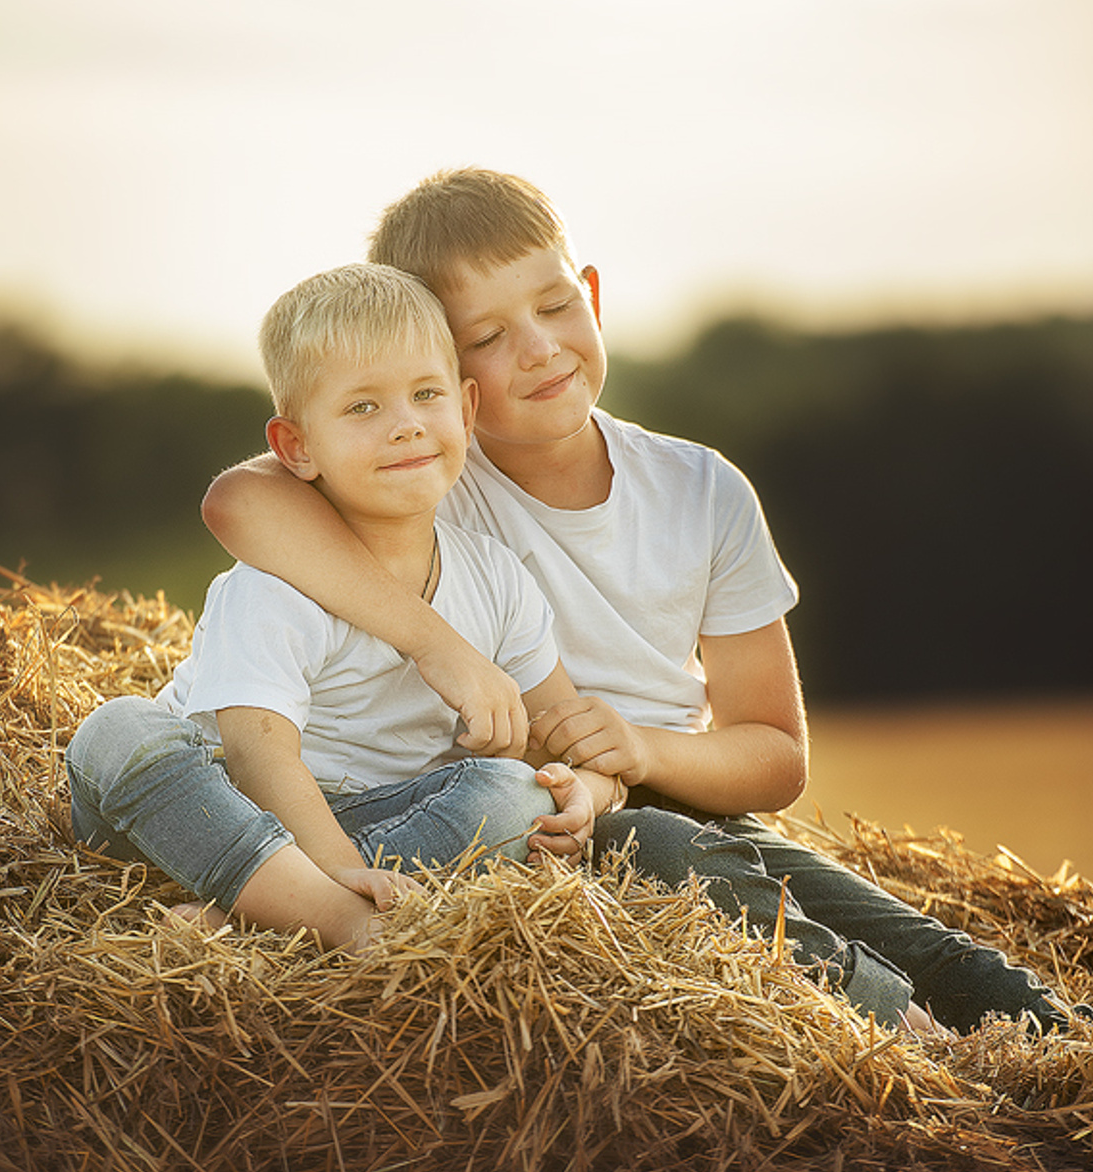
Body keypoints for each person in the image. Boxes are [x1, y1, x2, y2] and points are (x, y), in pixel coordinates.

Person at [200, 168, 1081, 1035]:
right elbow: (238, 501)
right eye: (489, 335)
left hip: (679, 795)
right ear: (442, 368)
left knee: (926, 943)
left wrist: (639, 749)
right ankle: (907, 1040)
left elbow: (775, 755)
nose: (541, 349)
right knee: (680, 868)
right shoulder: (427, 474)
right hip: (541, 824)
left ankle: (1052, 1050)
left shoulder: (701, 489)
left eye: (554, 307)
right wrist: (440, 645)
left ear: (590, 291)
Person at [66, 261, 623, 955]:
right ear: (296, 448)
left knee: (512, 798)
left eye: (427, 394)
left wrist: (585, 789)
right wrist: (336, 873)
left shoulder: (497, 578)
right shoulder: (273, 583)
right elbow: (255, 757)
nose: (406, 426)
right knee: (119, 731)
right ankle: (335, 918)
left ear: (466, 409)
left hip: (381, 816)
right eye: (364, 407)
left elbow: (555, 737)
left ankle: (262, 916)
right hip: (207, 810)